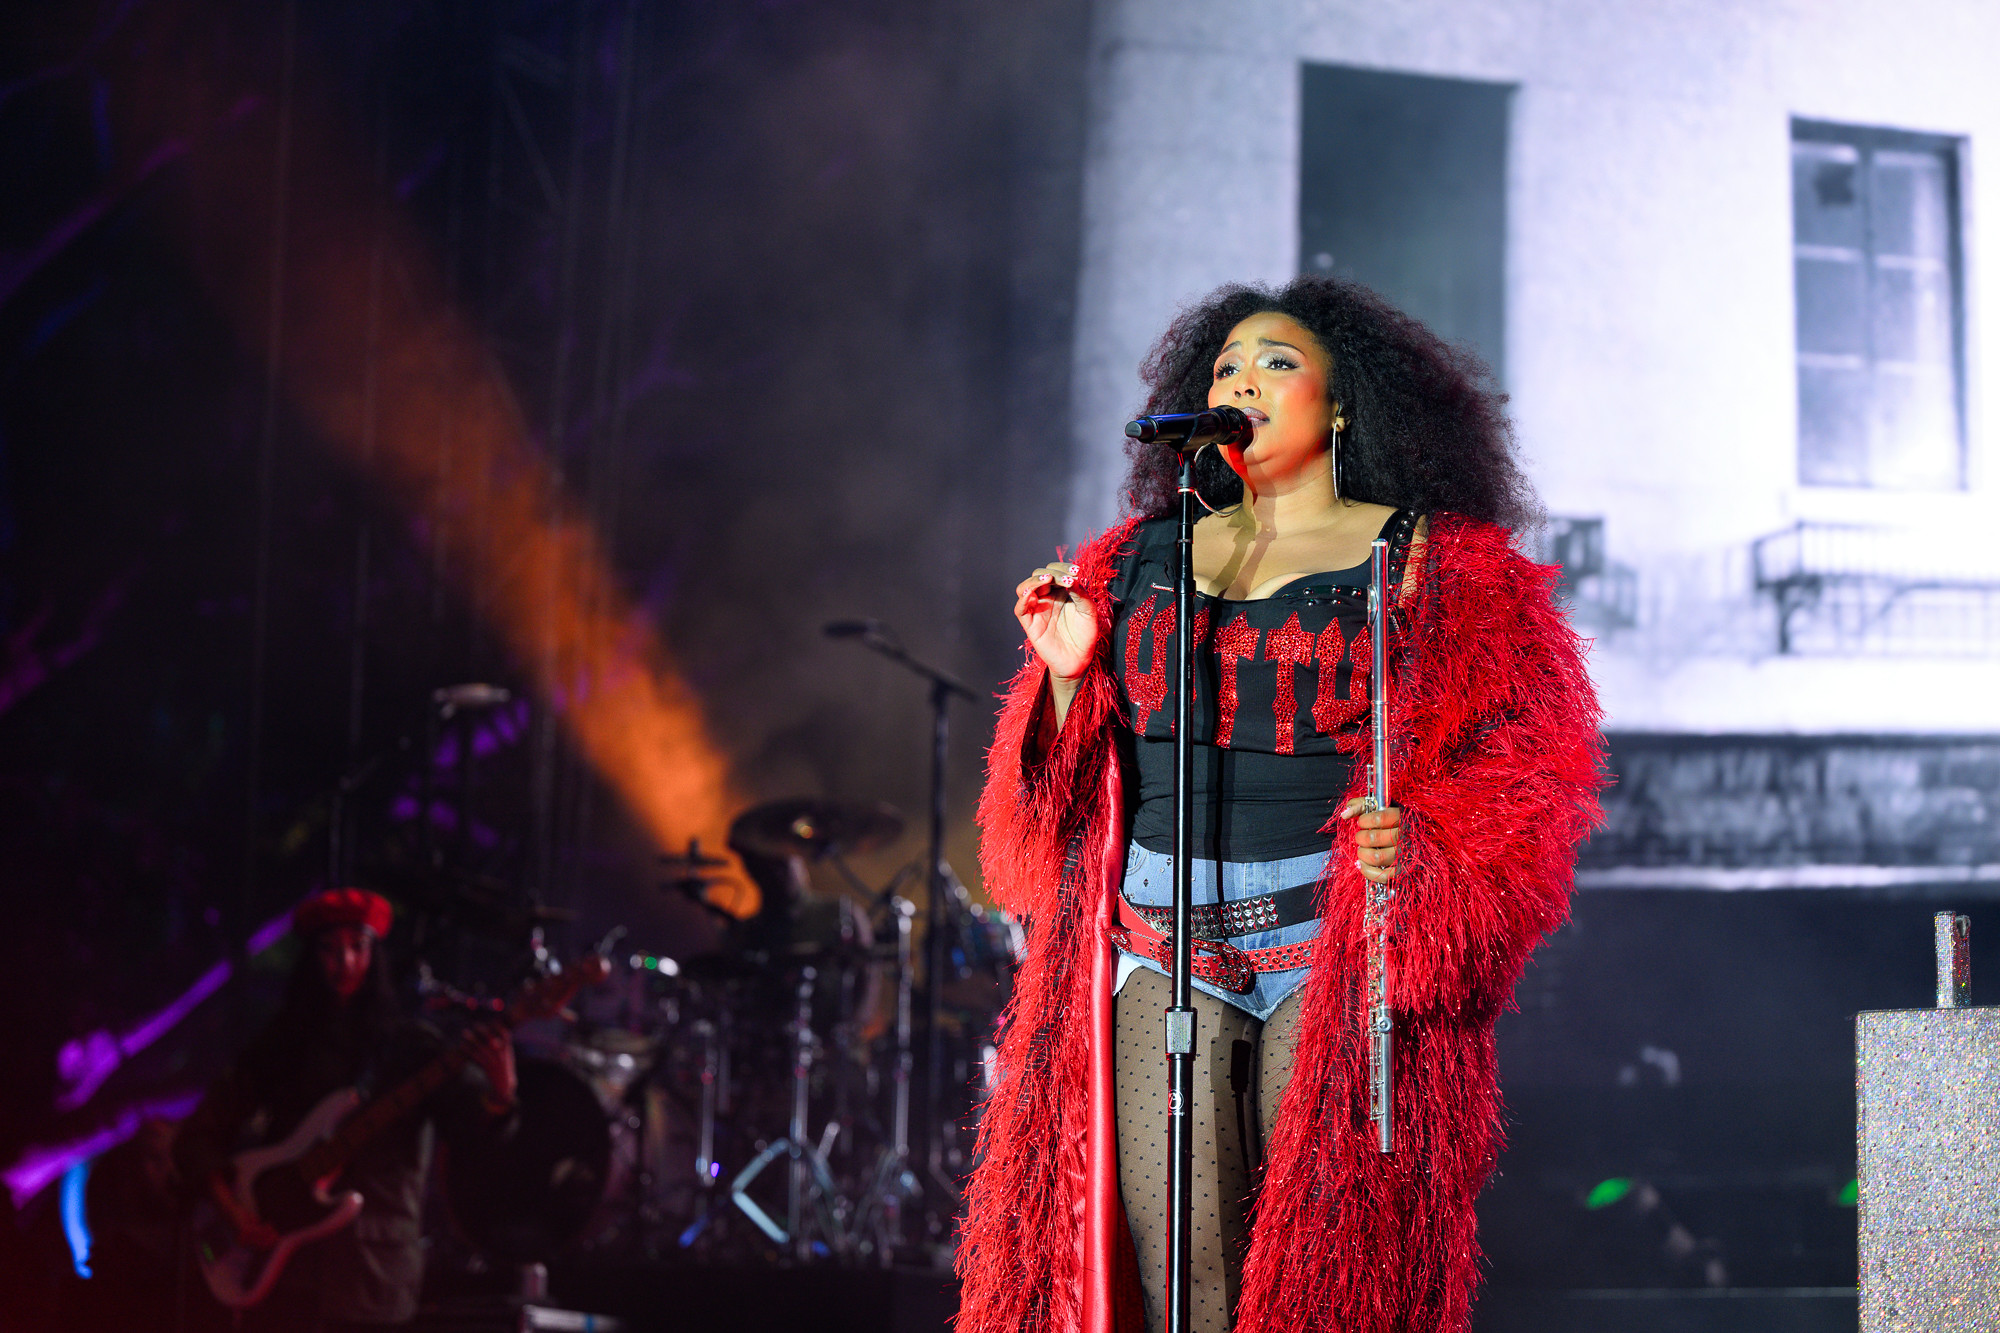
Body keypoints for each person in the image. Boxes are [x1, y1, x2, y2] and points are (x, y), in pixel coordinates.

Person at [954, 276, 1604, 1333]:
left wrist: (1424, 839)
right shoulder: (1135, 561)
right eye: (1225, 367)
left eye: (1276, 362)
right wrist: (1067, 677)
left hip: (1328, 951)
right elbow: (1045, 817)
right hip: (1158, 947)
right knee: (1187, 1276)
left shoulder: (1431, 564)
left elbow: (1525, 773)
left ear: (1341, 403)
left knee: (1327, 1284)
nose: (1242, 381)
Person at [175, 889, 518, 1331]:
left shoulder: (413, 1047)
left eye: (358, 947)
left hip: (372, 1280)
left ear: (376, 955)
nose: (346, 963)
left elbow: (475, 1135)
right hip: (284, 1279)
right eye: (330, 950)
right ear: (310, 959)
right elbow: (199, 1134)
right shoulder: (282, 1043)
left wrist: (502, 1093)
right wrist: (232, 1211)